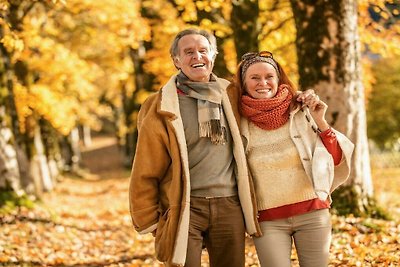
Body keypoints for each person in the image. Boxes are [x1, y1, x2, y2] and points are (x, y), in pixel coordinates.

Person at [128, 28, 260, 267]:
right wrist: (151, 221)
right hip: (183, 206)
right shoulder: (159, 105)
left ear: (213, 56)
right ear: (176, 60)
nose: (197, 57)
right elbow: (145, 167)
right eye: (188, 52)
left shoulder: (231, 94)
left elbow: (268, 104)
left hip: (229, 204)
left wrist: (302, 99)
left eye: (203, 50)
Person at [232, 51, 354, 267]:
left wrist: (321, 121)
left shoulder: (302, 110)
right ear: (243, 83)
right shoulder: (236, 120)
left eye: (269, 76)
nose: (263, 83)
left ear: (278, 79)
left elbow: (335, 159)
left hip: (313, 213)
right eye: (254, 77)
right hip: (267, 220)